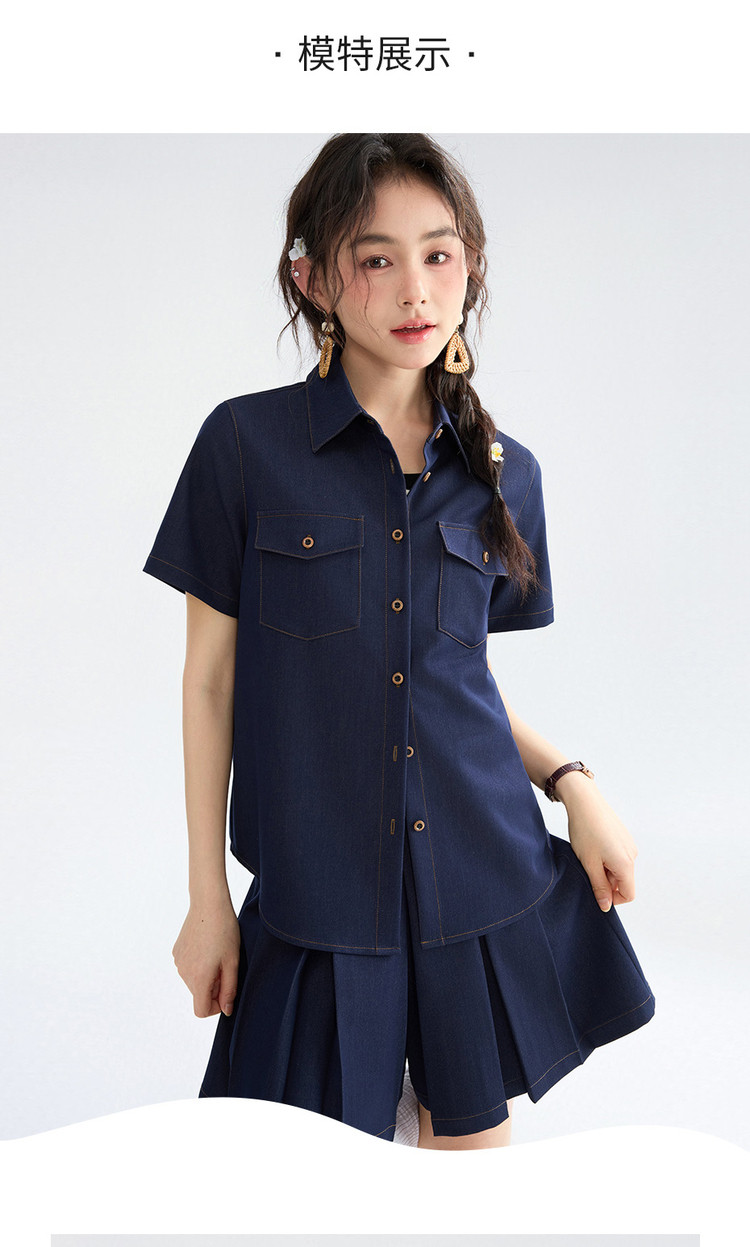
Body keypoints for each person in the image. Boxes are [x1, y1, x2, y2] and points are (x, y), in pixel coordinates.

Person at [142, 132, 656, 1151]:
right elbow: (209, 684)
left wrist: (574, 784)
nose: (415, 288)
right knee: (302, 1185)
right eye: (375, 258)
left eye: (439, 253)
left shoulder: (506, 474)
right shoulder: (244, 446)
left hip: (479, 883)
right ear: (312, 278)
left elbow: (454, 679)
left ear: (471, 265)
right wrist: (208, 898)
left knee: (471, 1197)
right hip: (316, 897)